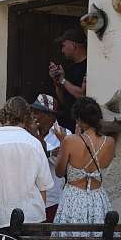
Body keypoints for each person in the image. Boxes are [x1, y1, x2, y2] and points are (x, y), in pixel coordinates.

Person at [0, 96, 53, 233]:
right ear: (26, 117)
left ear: (4, 114)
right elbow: (42, 189)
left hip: (1, 221)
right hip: (33, 219)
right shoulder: (34, 144)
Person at [53, 97, 116, 236]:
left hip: (73, 199)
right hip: (98, 199)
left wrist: (63, 142)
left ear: (79, 119)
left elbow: (59, 172)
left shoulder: (69, 141)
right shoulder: (110, 142)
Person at [29, 94, 71, 222]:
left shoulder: (66, 134)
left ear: (50, 116)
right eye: (32, 111)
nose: (33, 115)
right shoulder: (27, 132)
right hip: (30, 198)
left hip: (52, 199)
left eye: (37, 112)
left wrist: (37, 138)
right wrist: (51, 152)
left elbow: (63, 164)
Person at [49, 27, 87, 132]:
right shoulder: (70, 69)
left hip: (81, 126)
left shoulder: (89, 67)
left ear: (73, 45)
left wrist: (63, 80)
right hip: (68, 125)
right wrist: (57, 82)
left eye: (64, 46)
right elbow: (64, 101)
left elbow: (82, 96)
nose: (62, 50)